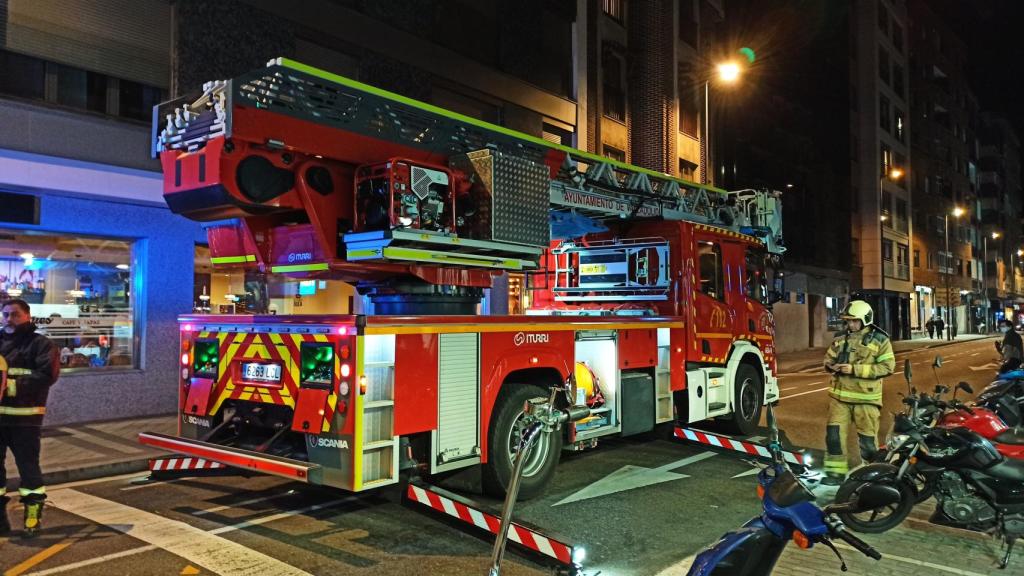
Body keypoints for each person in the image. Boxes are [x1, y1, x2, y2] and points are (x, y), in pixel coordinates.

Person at [0, 299, 60, 537]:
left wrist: (9, 386)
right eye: (5, 314)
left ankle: (33, 516)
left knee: (28, 468)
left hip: (25, 419)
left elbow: (47, 375)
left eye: (14, 314)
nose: (8, 319)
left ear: (27, 316)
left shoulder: (41, 344)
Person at [822, 300, 895, 485]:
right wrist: (832, 366)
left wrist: (854, 369)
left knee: (868, 443)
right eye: (848, 321)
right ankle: (834, 474)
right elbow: (827, 360)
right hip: (839, 397)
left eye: (855, 321)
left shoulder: (880, 340)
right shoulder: (840, 338)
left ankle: (872, 476)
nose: (851, 325)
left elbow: (887, 367)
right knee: (833, 437)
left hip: (866, 399)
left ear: (865, 320)